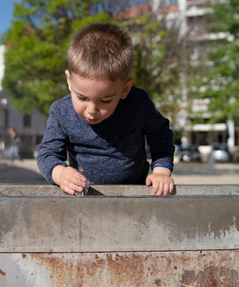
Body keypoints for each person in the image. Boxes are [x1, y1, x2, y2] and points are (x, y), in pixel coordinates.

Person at [37, 22, 175, 196]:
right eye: (82, 98)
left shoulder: (138, 103)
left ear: (125, 89)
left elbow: (160, 133)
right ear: (69, 81)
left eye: (105, 100)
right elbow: (47, 154)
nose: (91, 110)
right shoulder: (61, 112)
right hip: (83, 197)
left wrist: (161, 171)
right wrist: (61, 174)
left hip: (134, 194)